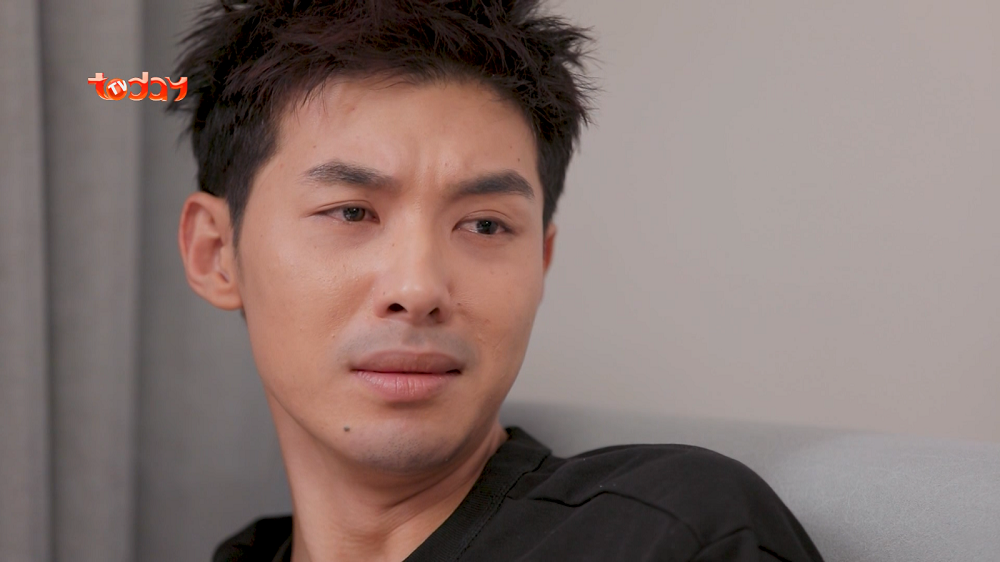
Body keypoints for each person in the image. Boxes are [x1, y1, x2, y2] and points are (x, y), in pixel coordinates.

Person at [171, 1, 824, 560]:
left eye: (485, 225)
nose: (418, 289)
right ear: (215, 253)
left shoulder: (670, 535)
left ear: (541, 261)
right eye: (351, 213)